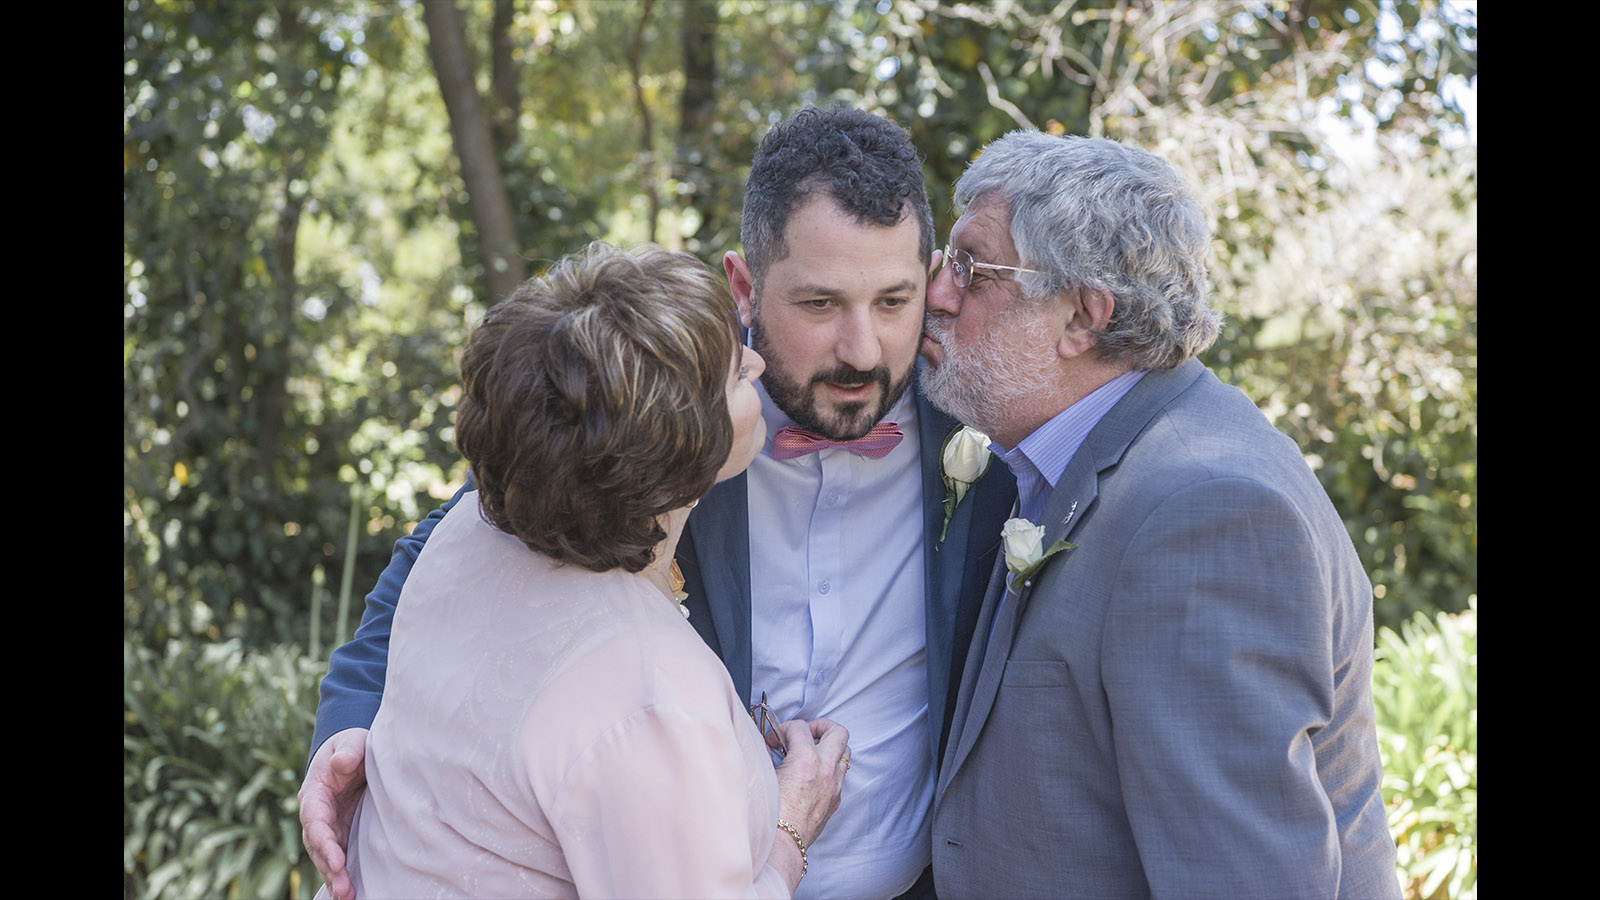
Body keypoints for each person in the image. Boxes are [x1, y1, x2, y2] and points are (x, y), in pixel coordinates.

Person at [300, 106, 1017, 900]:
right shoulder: (635, 412)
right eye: (818, 305)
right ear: (743, 287)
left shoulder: (989, 422)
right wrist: (348, 737)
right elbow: (451, 553)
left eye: (893, 301)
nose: (861, 348)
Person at [920, 130, 1401, 898]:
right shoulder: (1077, 459)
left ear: (1083, 317)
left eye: (972, 267)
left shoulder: (1205, 511)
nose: (936, 292)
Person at [316, 241, 849, 898]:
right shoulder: (650, 693)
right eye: (734, 375)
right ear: (673, 448)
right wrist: (791, 827)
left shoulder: (470, 532)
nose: (758, 359)